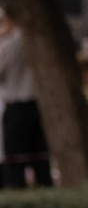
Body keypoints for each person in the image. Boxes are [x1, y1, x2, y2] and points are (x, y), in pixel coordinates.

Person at [0, 17, 52, 190]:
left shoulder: (12, 41)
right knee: (41, 163)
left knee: (15, 164)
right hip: (38, 108)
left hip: (17, 110)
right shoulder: (40, 38)